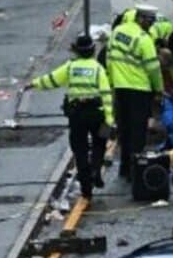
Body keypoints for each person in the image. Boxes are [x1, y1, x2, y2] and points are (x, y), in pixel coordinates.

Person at [25, 33, 113, 200]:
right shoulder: (98, 69)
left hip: (77, 114)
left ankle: (86, 187)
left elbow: (51, 80)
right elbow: (106, 94)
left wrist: (33, 84)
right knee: (99, 143)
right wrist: (109, 119)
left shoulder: (70, 67)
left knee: (79, 149)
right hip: (96, 113)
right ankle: (95, 170)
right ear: (93, 51)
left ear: (77, 51)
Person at [106, 4, 164, 179]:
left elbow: (109, 57)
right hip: (139, 90)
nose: (151, 25)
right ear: (141, 18)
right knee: (138, 132)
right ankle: (134, 170)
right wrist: (159, 89)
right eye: (150, 21)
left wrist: (111, 80)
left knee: (124, 129)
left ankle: (124, 167)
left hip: (120, 88)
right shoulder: (143, 39)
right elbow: (153, 68)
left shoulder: (117, 32)